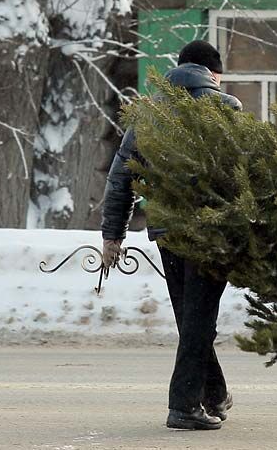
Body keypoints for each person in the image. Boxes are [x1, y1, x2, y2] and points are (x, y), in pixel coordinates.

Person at [101, 40, 242, 430]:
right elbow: (245, 177)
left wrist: (113, 235)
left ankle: (213, 394)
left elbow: (121, 177)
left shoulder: (150, 113)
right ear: (214, 74)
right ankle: (183, 406)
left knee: (190, 317)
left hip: (166, 231)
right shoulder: (224, 108)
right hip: (211, 230)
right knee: (198, 320)